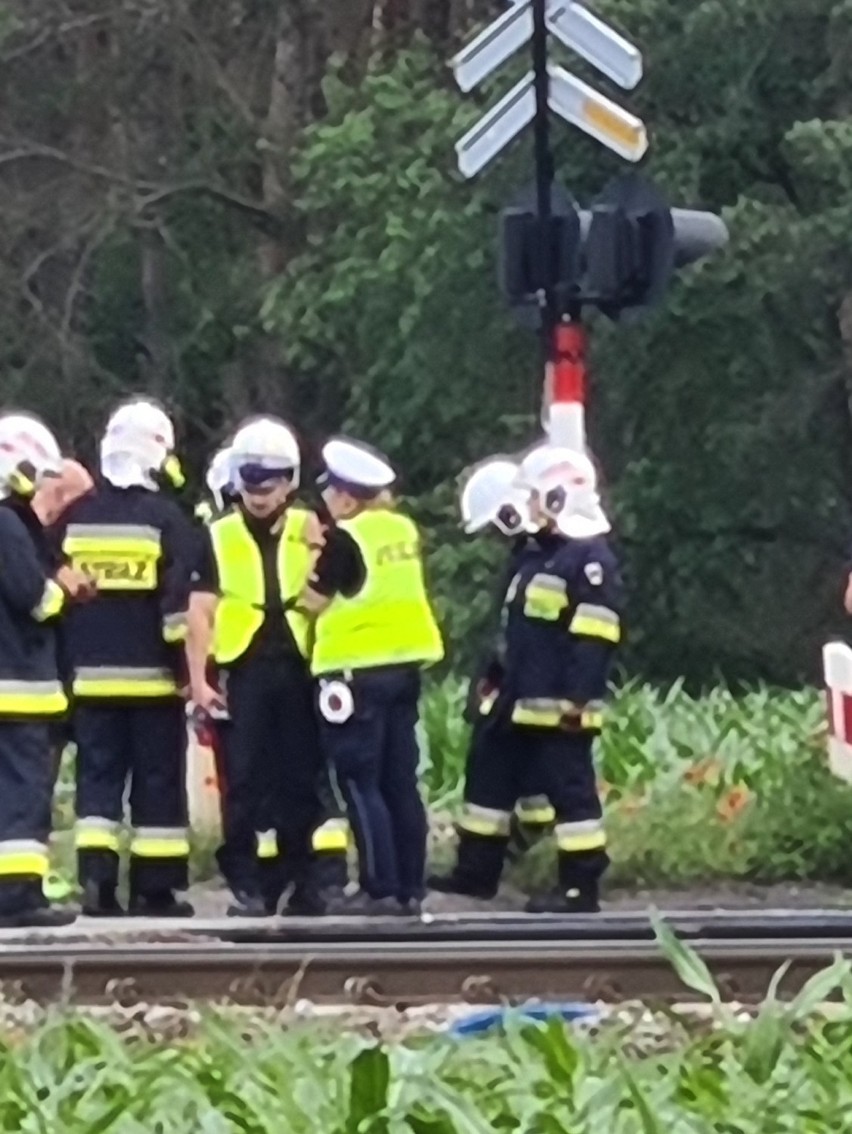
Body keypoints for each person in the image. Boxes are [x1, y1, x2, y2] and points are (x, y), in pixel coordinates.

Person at [430, 443, 621, 913]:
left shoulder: (589, 560)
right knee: (488, 783)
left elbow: (595, 637)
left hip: (560, 707)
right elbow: (510, 633)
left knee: (570, 795)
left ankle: (579, 887)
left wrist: (579, 700)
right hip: (518, 698)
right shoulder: (539, 556)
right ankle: (476, 873)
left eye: (536, 497)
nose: (530, 508)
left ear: (557, 498)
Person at [58, 397, 196, 917]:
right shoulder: (166, 519)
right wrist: (190, 674)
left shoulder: (75, 518)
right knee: (157, 786)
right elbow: (178, 607)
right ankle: (153, 891)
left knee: (97, 786)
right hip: (153, 683)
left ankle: (97, 887)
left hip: (90, 682)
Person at [298, 437, 444, 916]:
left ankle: (377, 889)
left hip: (353, 673)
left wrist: (308, 556)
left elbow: (312, 601)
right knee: (400, 781)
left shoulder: (345, 539)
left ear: (345, 496)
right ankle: (409, 887)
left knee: (361, 783)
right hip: (403, 667)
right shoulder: (401, 530)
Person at [187, 417, 326, 916]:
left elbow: (332, 587)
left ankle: (303, 880)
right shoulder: (218, 534)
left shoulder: (309, 526)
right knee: (245, 779)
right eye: (250, 483)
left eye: (269, 484)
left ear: (289, 481)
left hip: (300, 664)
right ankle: (250, 884)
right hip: (245, 667)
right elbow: (200, 610)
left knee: (301, 777)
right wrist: (199, 680)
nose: (259, 494)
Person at [0, 413, 94, 926]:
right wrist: (68, 590)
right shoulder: (7, 524)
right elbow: (33, 600)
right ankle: (17, 898)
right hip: (17, 688)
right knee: (21, 795)